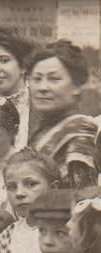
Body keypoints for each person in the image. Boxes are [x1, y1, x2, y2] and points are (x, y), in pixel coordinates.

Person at [27, 40, 99, 188]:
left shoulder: (81, 132)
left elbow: (81, 197)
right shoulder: (37, 129)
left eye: (54, 79)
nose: (42, 87)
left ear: (77, 86)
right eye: (37, 79)